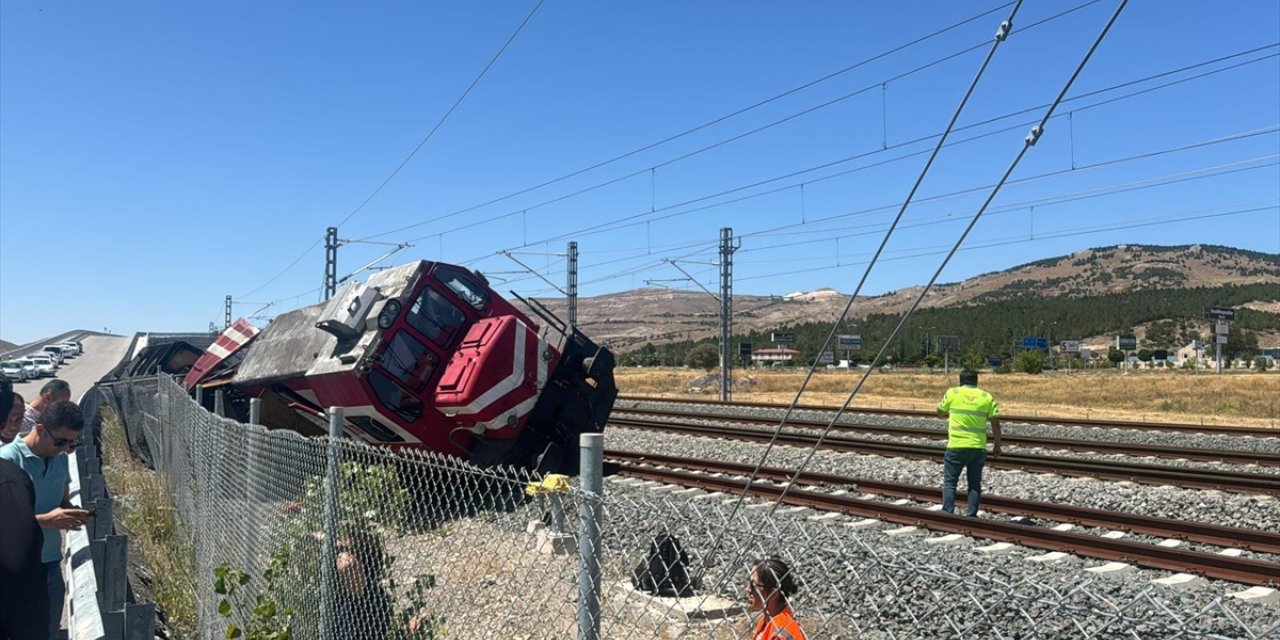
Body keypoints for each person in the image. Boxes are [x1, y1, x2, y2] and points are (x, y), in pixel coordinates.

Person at [0, 400, 90, 637]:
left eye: (71, 443)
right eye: (60, 441)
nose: (64, 448)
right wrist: (48, 521)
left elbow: (60, 501)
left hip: (50, 563)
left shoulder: (60, 458)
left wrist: (70, 512)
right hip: (14, 571)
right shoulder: (7, 461)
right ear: (39, 429)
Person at [936, 369, 1002, 517]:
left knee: (950, 482)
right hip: (978, 447)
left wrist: (948, 413)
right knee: (974, 484)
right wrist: (997, 444)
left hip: (956, 446)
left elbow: (940, 412)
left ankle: (947, 513)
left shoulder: (953, 393)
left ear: (960, 381)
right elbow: (995, 423)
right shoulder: (986, 396)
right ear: (976, 381)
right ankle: (971, 514)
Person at [747, 557, 806, 640]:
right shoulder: (766, 621)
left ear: (773, 594)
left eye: (754, 584)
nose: (748, 588)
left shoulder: (781, 632)